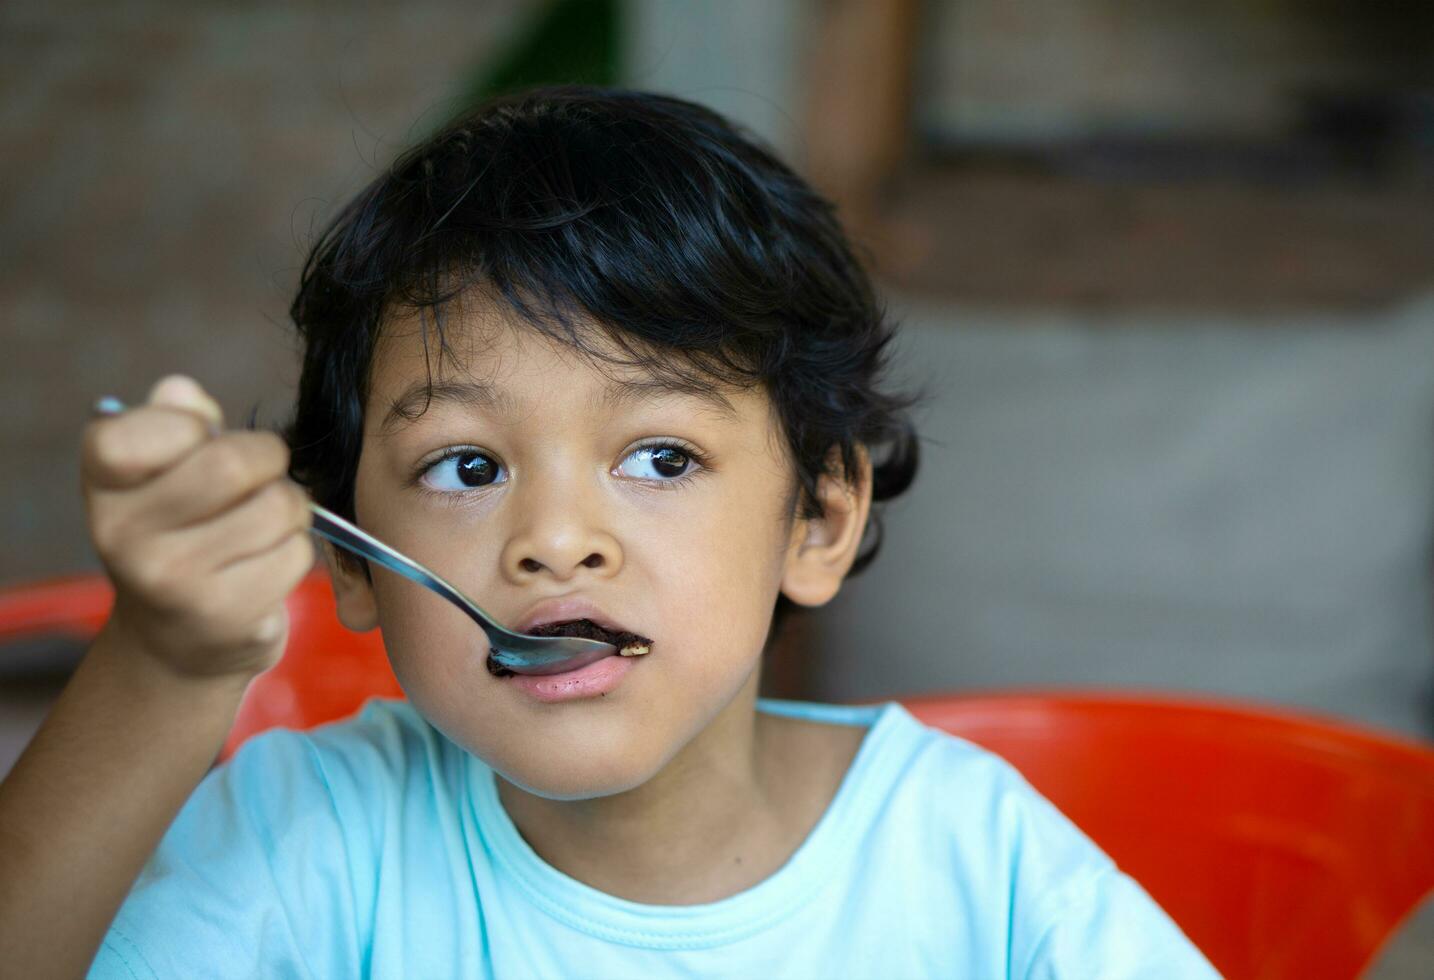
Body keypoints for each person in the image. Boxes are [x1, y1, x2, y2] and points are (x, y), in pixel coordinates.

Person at [0, 87, 1218, 978]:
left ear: (819, 517)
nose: (557, 538)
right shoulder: (312, 835)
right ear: (352, 558)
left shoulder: (968, 856)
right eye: (467, 465)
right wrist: (168, 660)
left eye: (660, 456)